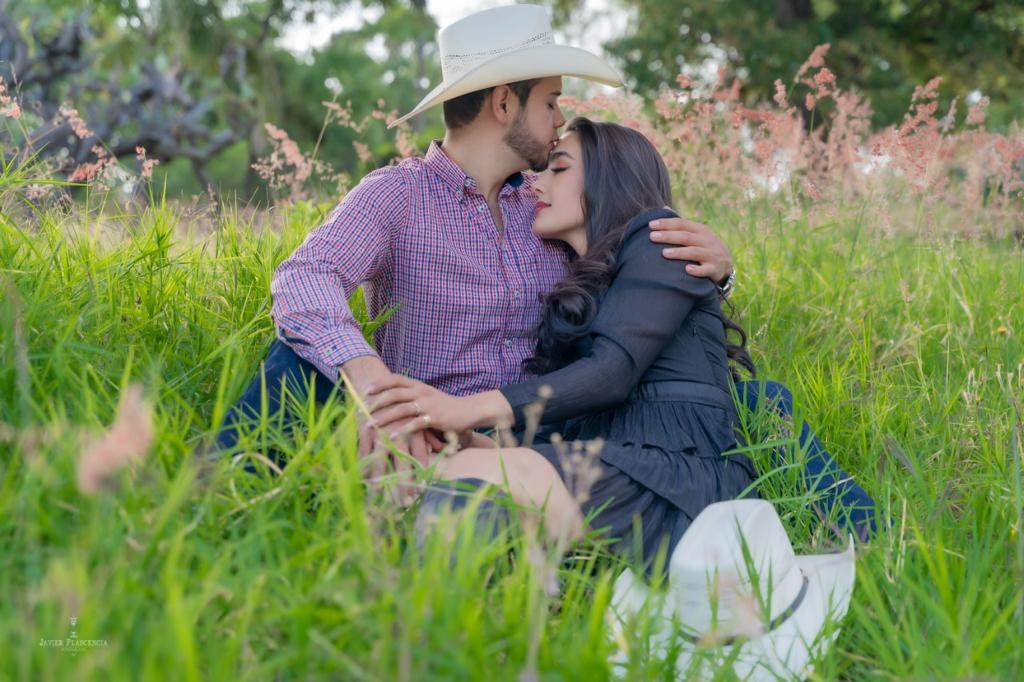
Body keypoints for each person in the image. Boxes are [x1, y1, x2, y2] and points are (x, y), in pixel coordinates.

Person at [213, 4, 876, 540]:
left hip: (547, 430)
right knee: (296, 358)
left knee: (750, 400)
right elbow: (304, 277)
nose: (559, 122)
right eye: (550, 102)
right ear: (504, 104)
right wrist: (375, 388)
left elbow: (642, 307)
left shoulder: (550, 213)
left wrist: (716, 274)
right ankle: (218, 504)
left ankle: (861, 539)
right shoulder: (397, 196)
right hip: (421, 424)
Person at [368, 117, 759, 568]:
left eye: (559, 169)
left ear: (609, 177)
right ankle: (432, 605)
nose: (535, 183)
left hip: (674, 477)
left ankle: (426, 619)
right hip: (603, 466)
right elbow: (570, 425)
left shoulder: (661, 239)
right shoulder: (582, 286)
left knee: (458, 480)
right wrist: (465, 437)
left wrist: (462, 407)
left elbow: (611, 374)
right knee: (429, 474)